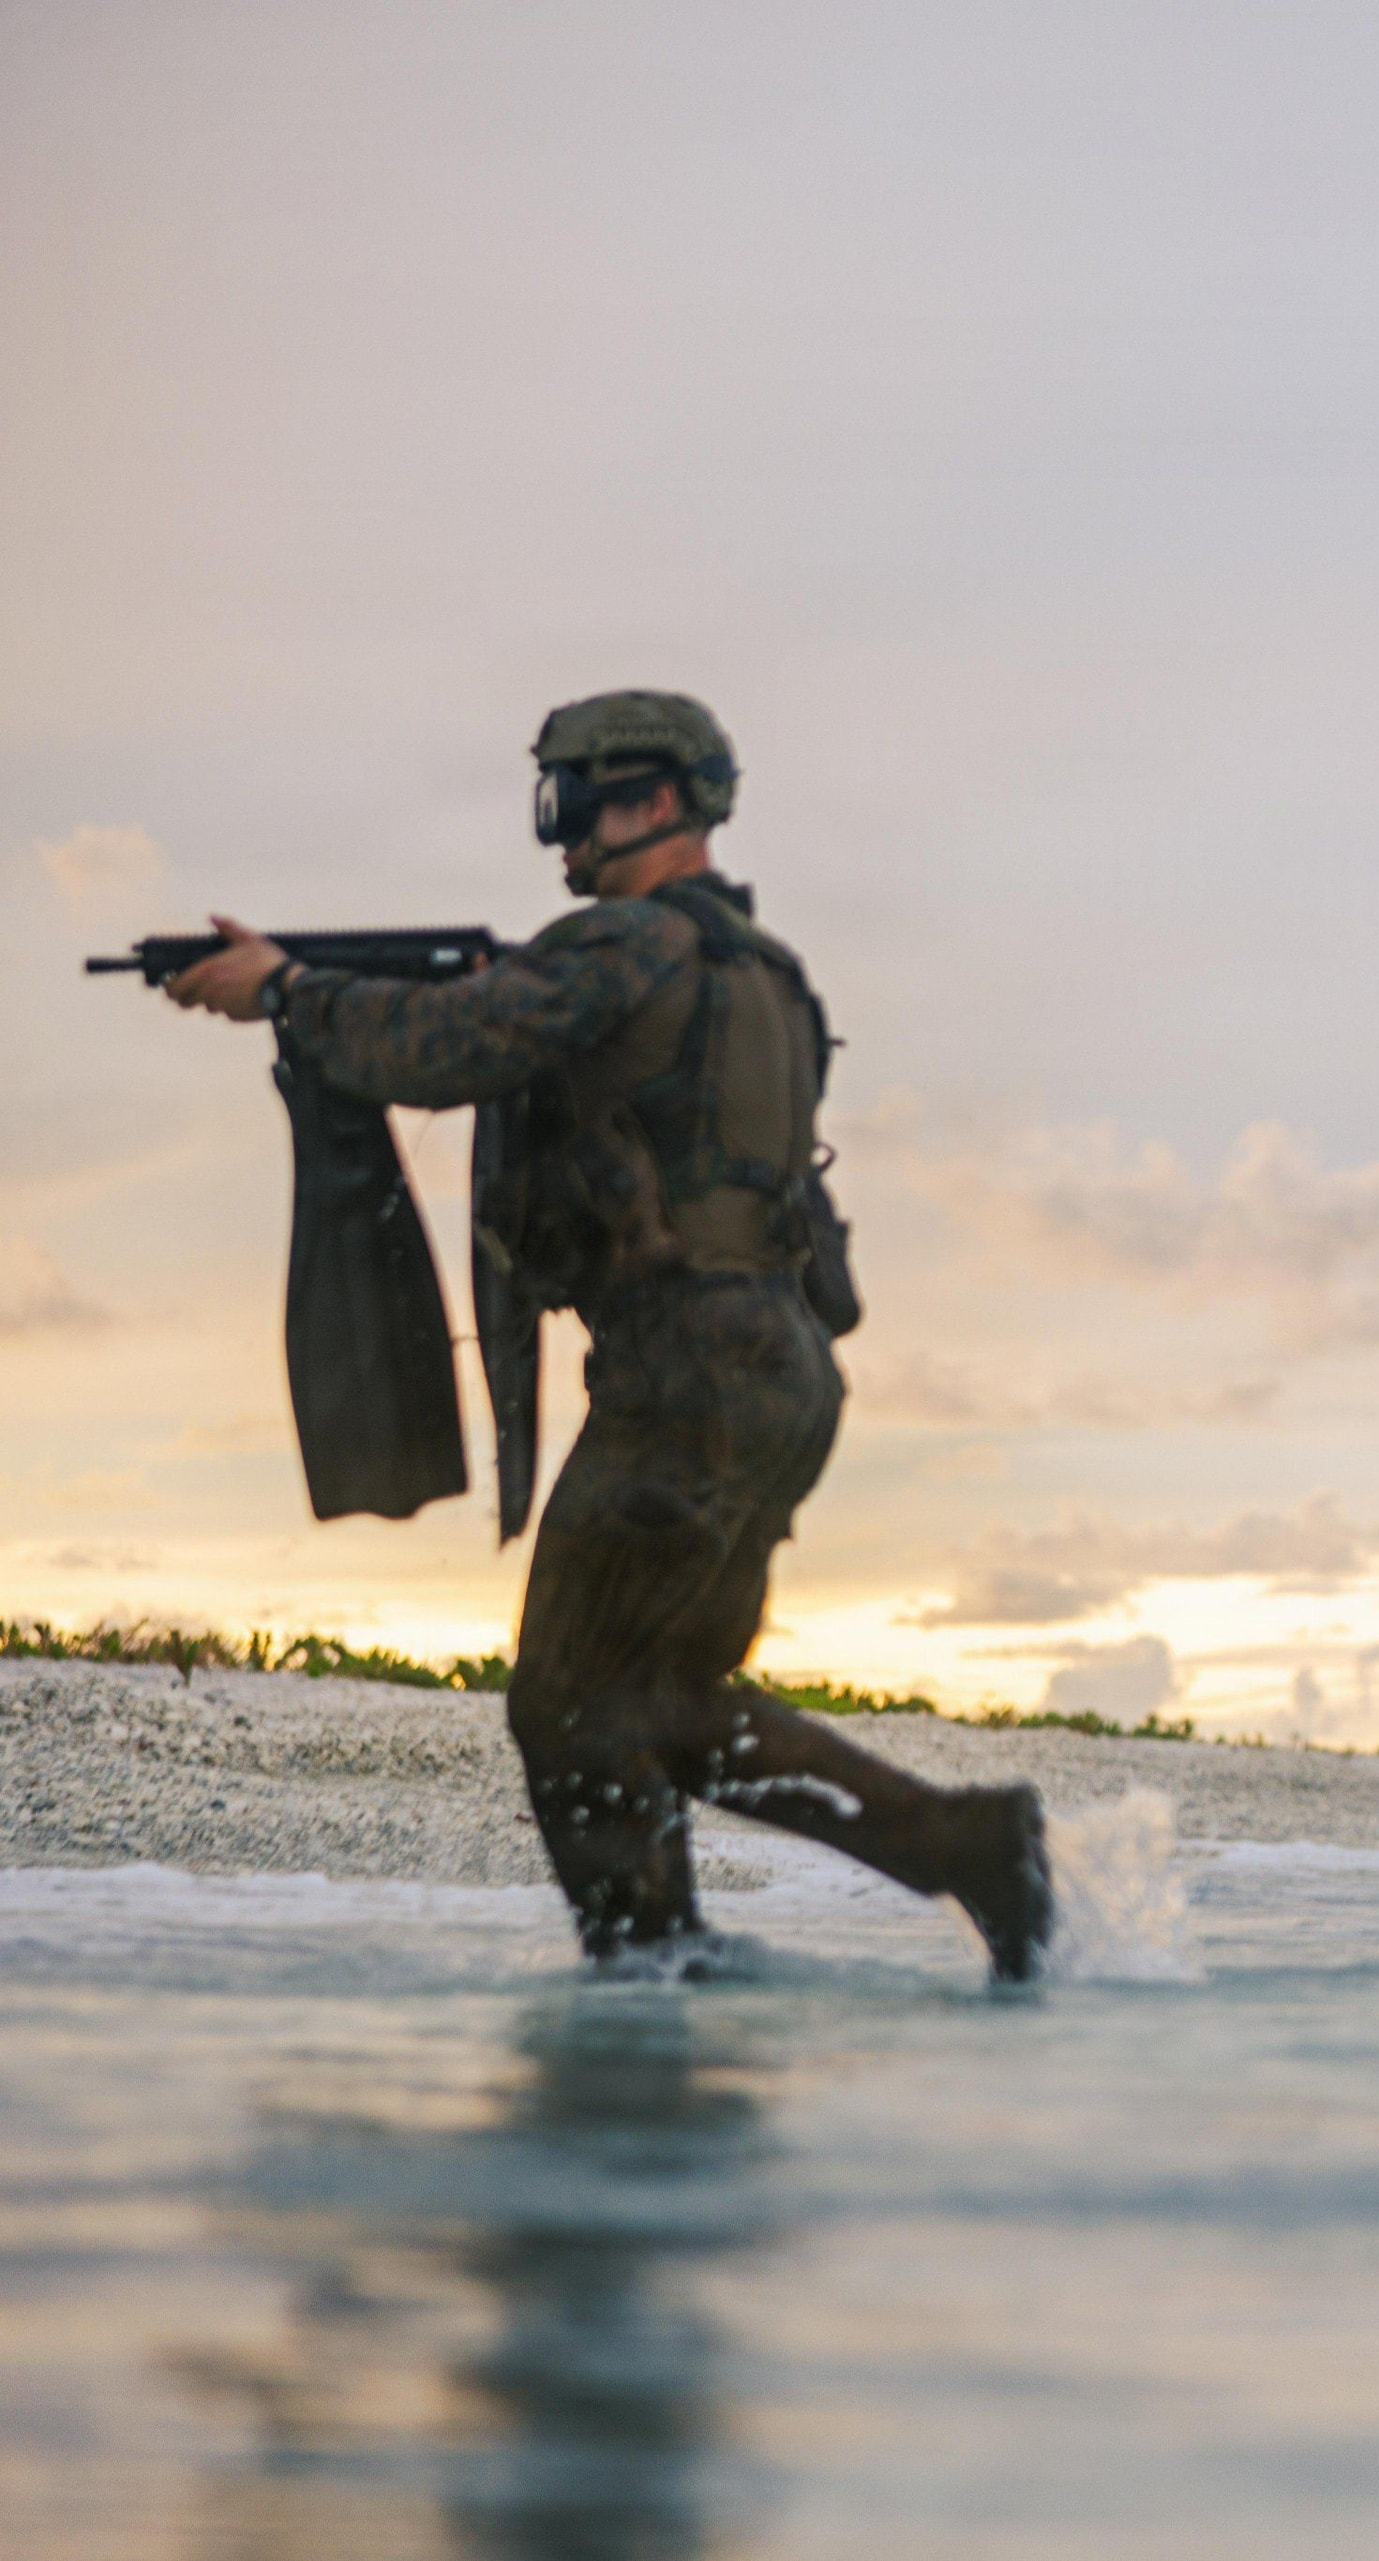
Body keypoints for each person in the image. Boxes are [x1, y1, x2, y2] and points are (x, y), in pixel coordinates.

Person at [166, 691, 1053, 1981]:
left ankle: (664, 1966)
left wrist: (290, 991)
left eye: (572, 801)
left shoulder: (628, 941)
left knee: (570, 1702)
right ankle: (793, 1919)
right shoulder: (764, 970)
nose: (564, 835)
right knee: (670, 1701)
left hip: (688, 1370)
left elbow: (452, 1046)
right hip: (775, 1366)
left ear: (655, 798)